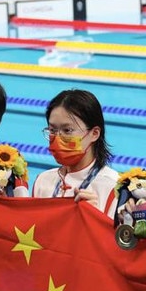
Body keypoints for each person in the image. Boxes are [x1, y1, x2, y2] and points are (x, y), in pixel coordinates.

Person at [32, 89, 119, 218]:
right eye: (52, 130)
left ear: (94, 133)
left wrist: (96, 220)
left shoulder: (114, 188)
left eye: (67, 130)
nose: (57, 138)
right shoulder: (43, 181)